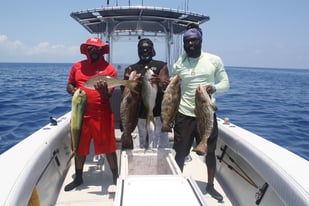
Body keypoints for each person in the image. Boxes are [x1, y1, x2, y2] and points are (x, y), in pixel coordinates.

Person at [171, 24, 230, 201]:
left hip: (206, 114)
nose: (190, 43)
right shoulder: (179, 63)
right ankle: (176, 182)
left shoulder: (214, 60)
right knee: (180, 152)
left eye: (194, 40)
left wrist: (213, 88)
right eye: (187, 41)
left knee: (210, 152)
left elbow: (225, 84)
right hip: (184, 114)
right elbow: (172, 86)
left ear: (200, 40)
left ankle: (210, 185)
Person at [64, 37, 118, 191]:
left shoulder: (109, 69)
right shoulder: (77, 67)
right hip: (80, 116)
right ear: (86, 49)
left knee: (109, 148)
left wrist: (103, 91)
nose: (94, 50)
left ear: (102, 50)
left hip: (102, 115)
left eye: (97, 48)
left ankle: (116, 177)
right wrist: (71, 90)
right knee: (79, 148)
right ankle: (79, 178)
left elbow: (108, 95)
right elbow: (69, 84)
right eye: (91, 48)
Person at [122, 38, 169, 149]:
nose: (144, 51)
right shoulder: (131, 68)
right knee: (140, 146)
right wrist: (127, 80)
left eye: (147, 48)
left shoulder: (161, 65)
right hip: (137, 114)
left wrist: (160, 81)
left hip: (157, 113)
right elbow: (125, 93)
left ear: (152, 50)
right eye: (142, 48)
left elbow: (166, 86)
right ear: (138, 50)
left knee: (157, 146)